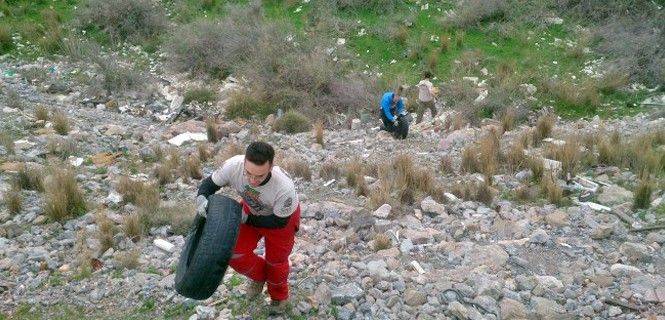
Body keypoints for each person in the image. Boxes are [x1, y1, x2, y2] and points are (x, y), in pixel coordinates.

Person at [195, 141, 300, 315]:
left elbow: (278, 222)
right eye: (248, 173)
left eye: (259, 176)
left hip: (281, 219)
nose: (252, 180)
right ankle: (259, 278)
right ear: (244, 162)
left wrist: (246, 219)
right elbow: (209, 185)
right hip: (251, 209)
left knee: (276, 262)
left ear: (271, 167)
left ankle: (279, 297)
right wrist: (201, 198)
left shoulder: (284, 187)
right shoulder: (232, 166)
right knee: (233, 252)